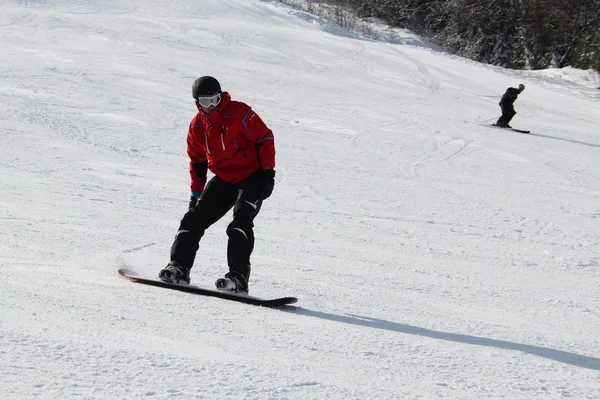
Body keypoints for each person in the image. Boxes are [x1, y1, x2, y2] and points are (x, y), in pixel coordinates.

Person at [158, 76, 276, 294]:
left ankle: (238, 277)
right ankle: (179, 268)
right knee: (192, 218)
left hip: (252, 177)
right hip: (224, 178)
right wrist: (196, 193)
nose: (211, 106)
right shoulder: (197, 126)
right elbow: (198, 161)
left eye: (215, 99)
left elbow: (265, 138)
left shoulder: (239, 113)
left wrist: (268, 174)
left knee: (240, 221)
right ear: (197, 103)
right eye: (205, 101)